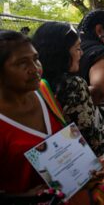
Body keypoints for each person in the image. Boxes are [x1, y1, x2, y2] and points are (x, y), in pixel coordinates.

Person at [32, 22, 104, 161]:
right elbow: (88, 140)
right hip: (74, 163)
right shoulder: (73, 84)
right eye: (77, 48)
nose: (81, 53)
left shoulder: (35, 86)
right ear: (62, 52)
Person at [0, 30, 64, 195]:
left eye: (36, 59)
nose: (35, 69)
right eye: (22, 63)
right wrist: (19, 199)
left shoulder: (43, 90)